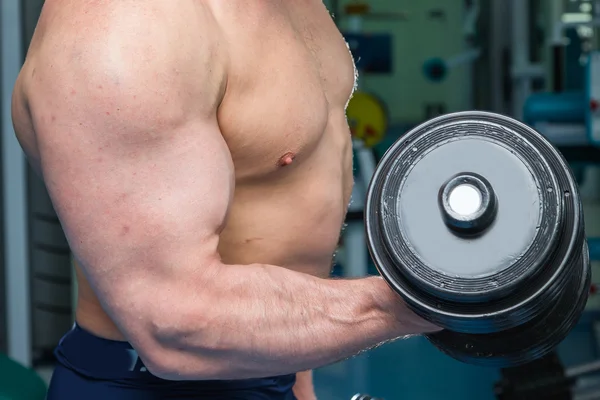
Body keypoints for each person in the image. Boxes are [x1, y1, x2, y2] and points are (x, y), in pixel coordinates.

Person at [12, 1, 440, 399]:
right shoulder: (127, 25)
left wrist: (299, 381)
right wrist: (424, 303)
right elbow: (174, 322)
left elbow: (286, 218)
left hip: (274, 371)